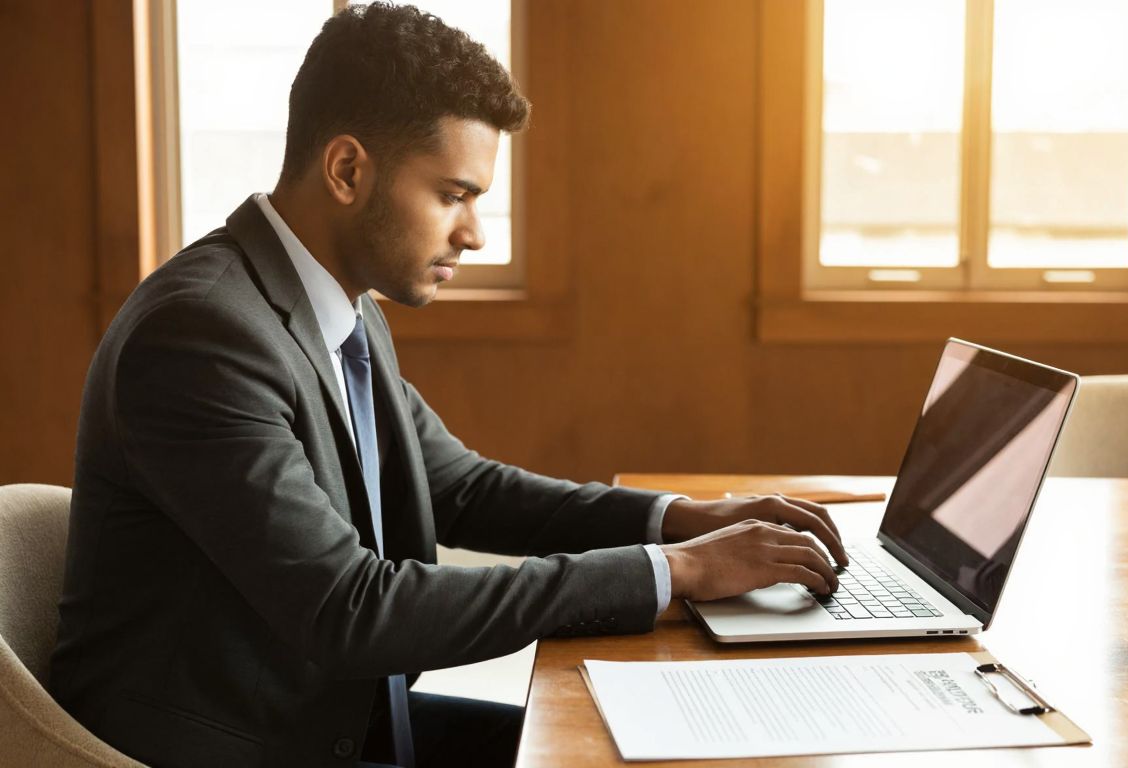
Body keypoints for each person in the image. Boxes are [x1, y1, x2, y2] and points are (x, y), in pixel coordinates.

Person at [48, 4, 847, 767]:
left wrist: (679, 520)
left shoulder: (333, 304)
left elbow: (459, 487)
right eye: (453, 195)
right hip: (240, 749)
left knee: (629, 747)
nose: (474, 233)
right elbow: (353, 611)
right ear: (348, 169)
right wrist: (677, 573)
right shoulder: (200, 337)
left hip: (328, 720)